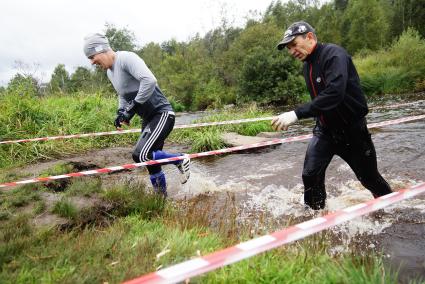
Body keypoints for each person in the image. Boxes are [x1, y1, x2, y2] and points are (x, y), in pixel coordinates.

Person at [272, 21, 392, 210]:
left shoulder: (334, 55)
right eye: (288, 48)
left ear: (309, 37)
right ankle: (315, 220)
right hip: (325, 132)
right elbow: (320, 102)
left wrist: (296, 113)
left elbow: (335, 93)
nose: (291, 51)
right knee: (310, 175)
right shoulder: (306, 67)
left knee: (369, 179)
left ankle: (392, 208)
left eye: (294, 44)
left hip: (353, 131)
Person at [83, 33, 190, 196]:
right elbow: (123, 94)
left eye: (92, 56)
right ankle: (161, 201)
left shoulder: (126, 58)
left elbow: (149, 80)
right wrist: (121, 112)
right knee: (151, 162)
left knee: (141, 154)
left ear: (101, 49)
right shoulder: (110, 72)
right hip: (148, 118)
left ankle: (179, 159)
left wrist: (132, 108)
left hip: (161, 114)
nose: (91, 62)